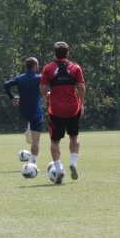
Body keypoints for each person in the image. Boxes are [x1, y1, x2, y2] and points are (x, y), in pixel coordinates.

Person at [39, 42, 85, 184]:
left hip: (56, 109)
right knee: (74, 136)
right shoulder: (75, 67)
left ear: (55, 53)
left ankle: (59, 169)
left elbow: (42, 86)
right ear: (67, 53)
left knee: (55, 141)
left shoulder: (48, 67)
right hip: (73, 108)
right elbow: (82, 86)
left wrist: (47, 98)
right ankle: (73, 163)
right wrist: (81, 103)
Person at [3, 57, 43, 167]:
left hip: (23, 110)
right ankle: (33, 164)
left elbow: (6, 84)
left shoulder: (20, 78)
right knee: (36, 140)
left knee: (30, 121)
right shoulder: (40, 78)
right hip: (36, 111)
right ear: (35, 66)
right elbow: (48, 88)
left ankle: (29, 128)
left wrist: (12, 97)